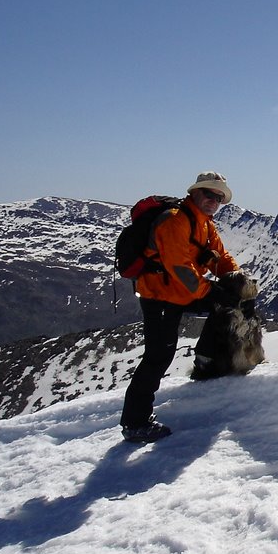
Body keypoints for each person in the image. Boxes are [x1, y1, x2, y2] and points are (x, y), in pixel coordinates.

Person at [120, 171, 242, 443]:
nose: (214, 200)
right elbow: (180, 269)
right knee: (157, 357)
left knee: (225, 305)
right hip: (160, 296)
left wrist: (235, 279)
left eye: (219, 197)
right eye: (209, 193)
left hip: (180, 293)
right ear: (195, 192)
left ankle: (206, 359)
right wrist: (211, 289)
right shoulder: (175, 221)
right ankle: (134, 422)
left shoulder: (205, 224)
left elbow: (220, 257)